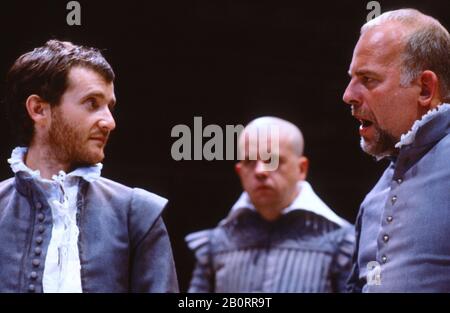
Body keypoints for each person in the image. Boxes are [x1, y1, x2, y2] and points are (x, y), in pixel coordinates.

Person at [0, 40, 178, 292]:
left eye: (109, 106)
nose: (109, 122)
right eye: (92, 103)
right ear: (39, 109)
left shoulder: (137, 215)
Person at [343, 9, 450, 292]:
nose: (348, 95)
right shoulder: (374, 198)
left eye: (368, 79)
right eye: (352, 78)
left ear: (425, 89)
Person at [185, 117, 354, 292]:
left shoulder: (341, 244)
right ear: (240, 171)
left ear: (301, 168)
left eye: (272, 160)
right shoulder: (216, 244)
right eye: (250, 162)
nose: (260, 171)